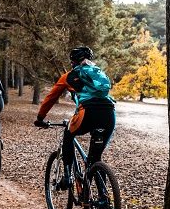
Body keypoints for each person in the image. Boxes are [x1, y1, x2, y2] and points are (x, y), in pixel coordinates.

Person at [34, 46, 115, 190]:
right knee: (95, 159)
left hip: (87, 112)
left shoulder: (68, 76)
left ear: (73, 61)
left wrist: (40, 117)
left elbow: (51, 98)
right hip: (109, 113)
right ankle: (102, 198)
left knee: (68, 135)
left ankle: (67, 177)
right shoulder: (98, 72)